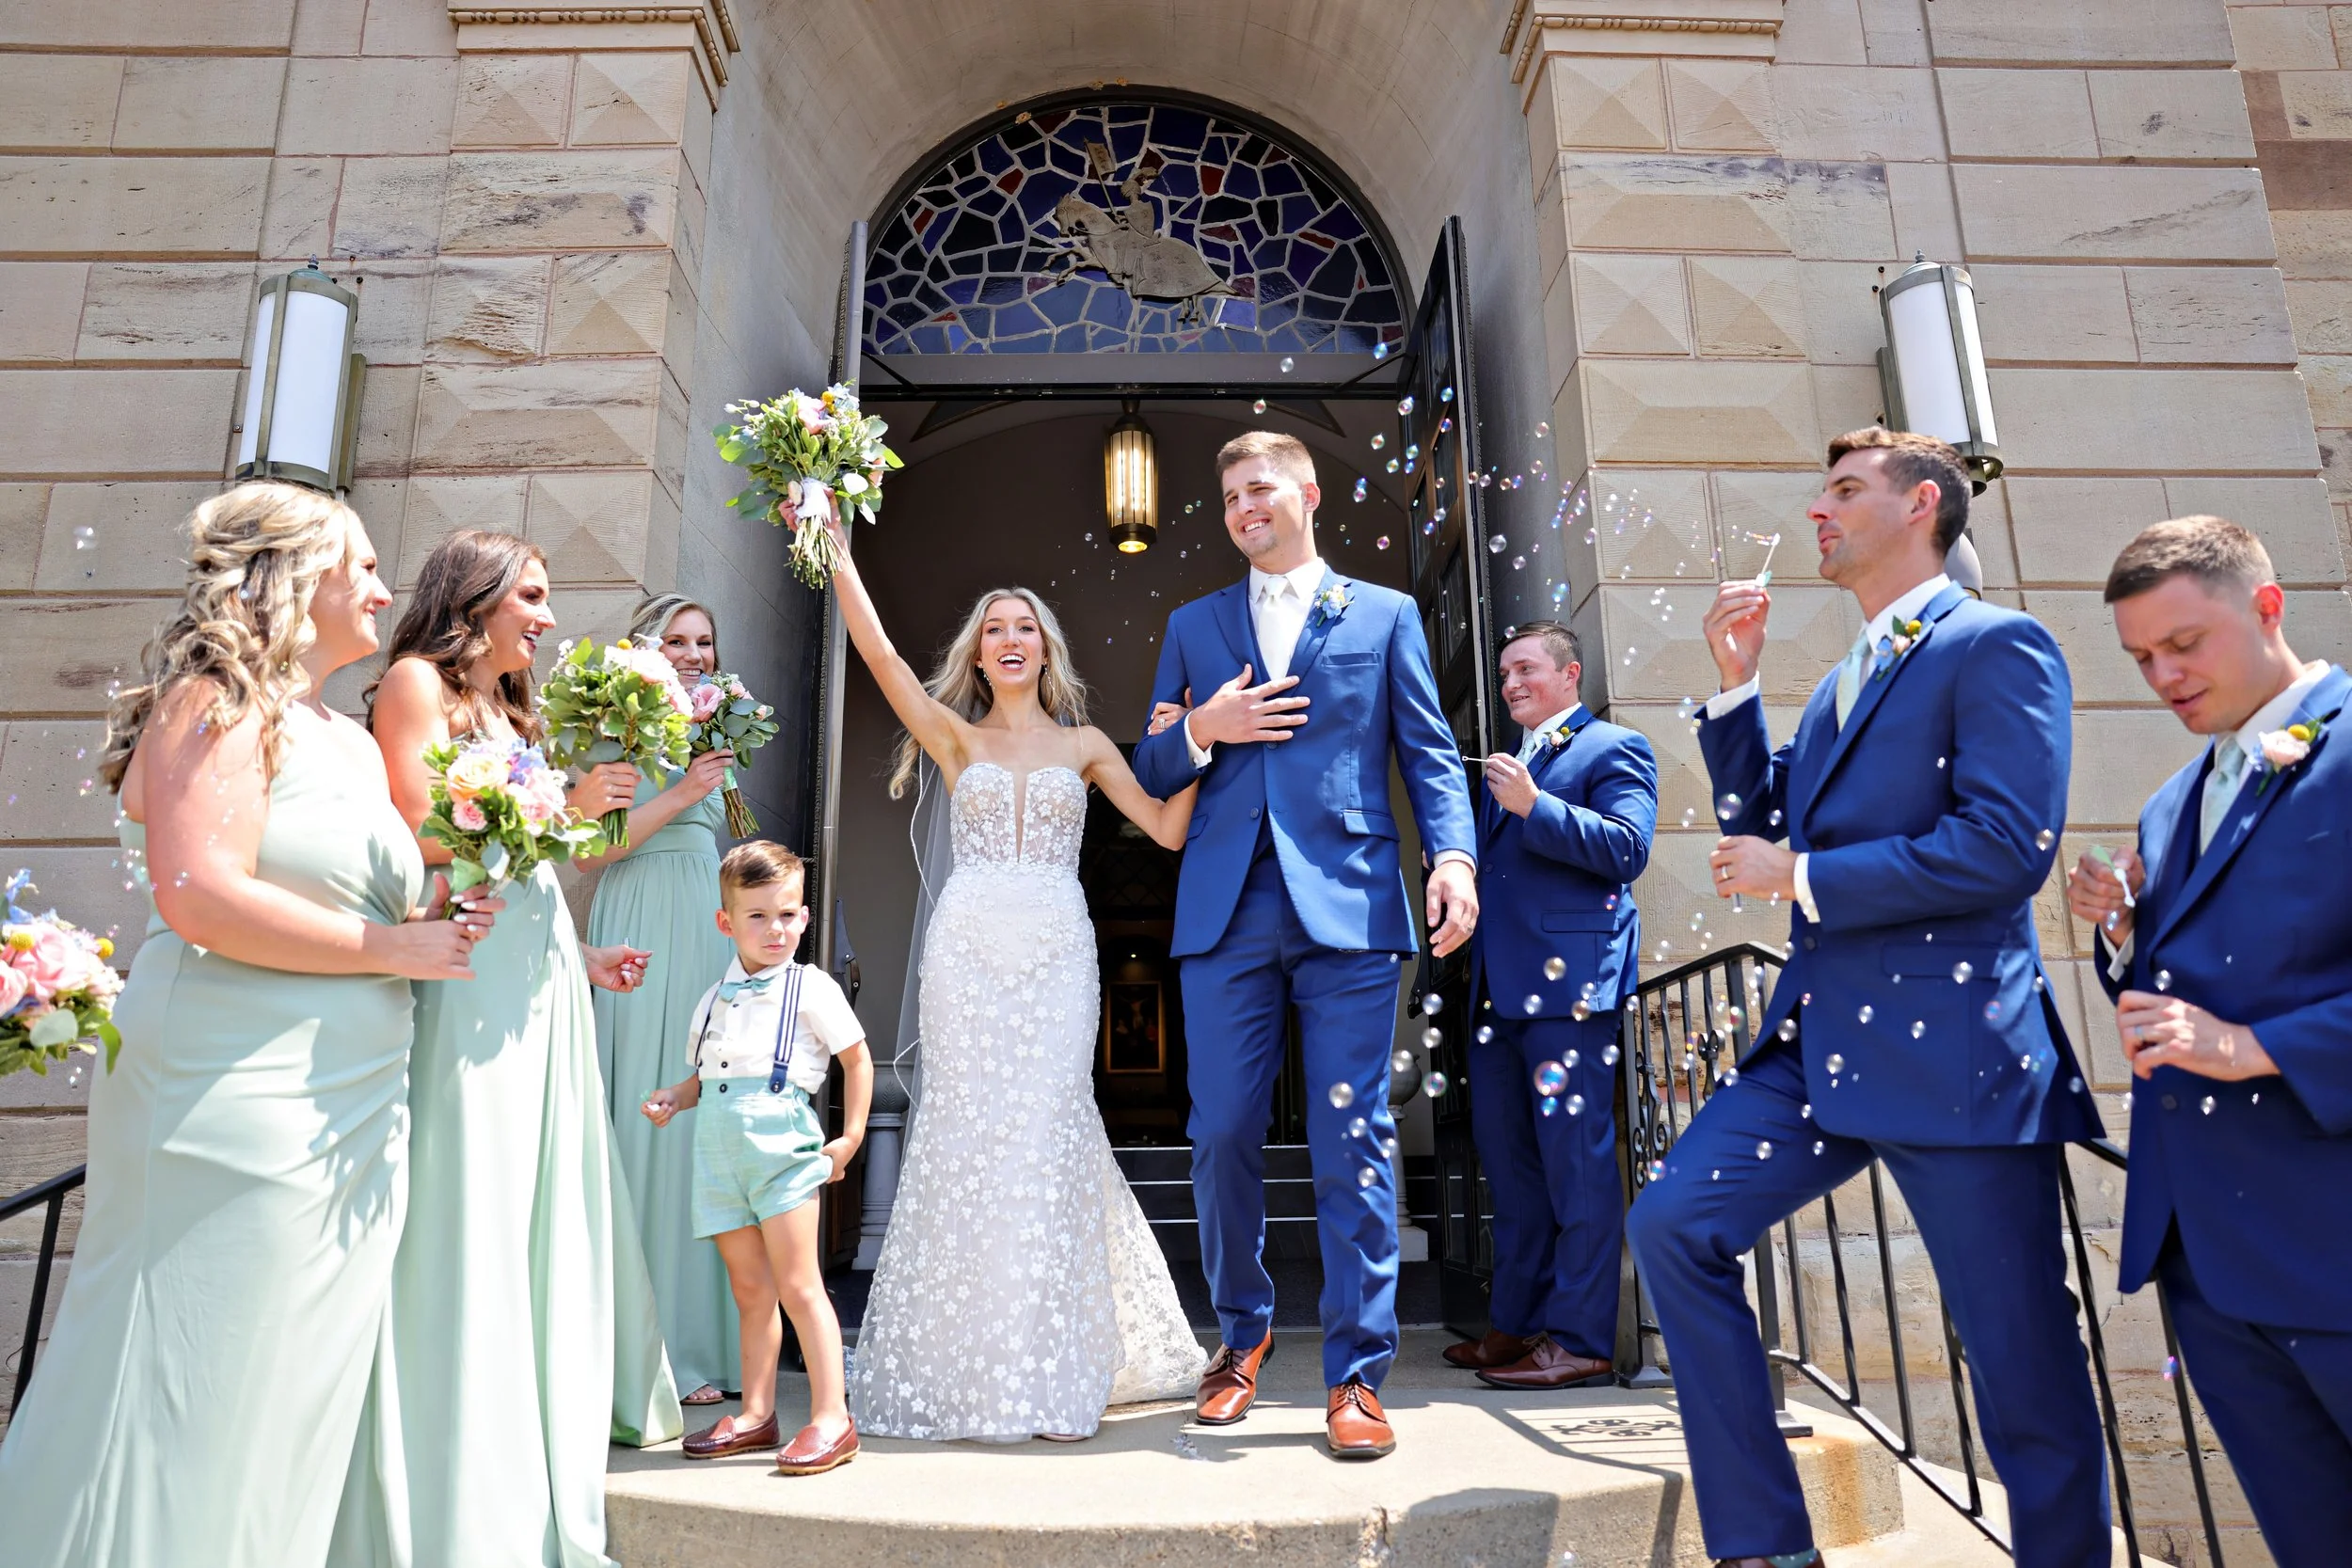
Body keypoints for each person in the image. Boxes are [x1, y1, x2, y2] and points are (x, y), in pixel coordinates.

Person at [1633, 428, 2108, 1568]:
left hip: (1953, 1054)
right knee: (1672, 1224)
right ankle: (1765, 1542)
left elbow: (2003, 847)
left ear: (1921, 504)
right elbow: (1769, 819)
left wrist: (1800, 875)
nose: (1818, 509)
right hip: (1818, 1044)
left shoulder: (1995, 645)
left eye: (1844, 489)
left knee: (2017, 1355)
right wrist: (1736, 685)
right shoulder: (1846, 676)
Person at [0, 483, 493, 1568]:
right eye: (365, 567)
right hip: (234, 1089)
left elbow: (346, 895)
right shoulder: (216, 698)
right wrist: (390, 949)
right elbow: (200, 893)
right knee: (203, 1364)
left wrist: (432, 920)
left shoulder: (351, 740)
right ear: (296, 576)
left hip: (355, 1092)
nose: (384, 592)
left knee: (296, 1377)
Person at [816, 492, 1208, 1443]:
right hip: (968, 952)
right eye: (994, 628)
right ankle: (968, 1365)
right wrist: (835, 548)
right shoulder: (957, 737)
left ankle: (1057, 1366)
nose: (1009, 638)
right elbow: (879, 657)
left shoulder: (1085, 745)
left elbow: (1165, 830)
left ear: (1045, 646)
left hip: (1059, 953)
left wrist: (1199, 741)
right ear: (979, 651)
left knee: (1047, 1130)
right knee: (969, 1136)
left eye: (1023, 625)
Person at [335, 531, 683, 1568]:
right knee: (472, 1188)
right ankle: (458, 1444)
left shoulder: (509, 711)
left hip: (537, 968)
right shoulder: (415, 683)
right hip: (472, 971)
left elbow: (527, 863)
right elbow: (418, 833)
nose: (546, 615)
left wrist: (582, 952)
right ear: (474, 596)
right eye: (529, 595)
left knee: (538, 1190)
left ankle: (536, 1416)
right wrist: (564, 807)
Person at [1131, 430, 1479, 1461]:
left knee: (1351, 1137)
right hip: (1226, 909)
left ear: (1308, 492)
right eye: (1230, 496)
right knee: (1222, 1131)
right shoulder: (1191, 625)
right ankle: (1240, 1336)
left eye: (1260, 487)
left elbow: (1428, 752)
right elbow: (1152, 768)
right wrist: (1207, 727)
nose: (1244, 506)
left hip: (1350, 905)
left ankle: (1356, 1373)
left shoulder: (1386, 613)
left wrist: (1454, 857)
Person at [2065, 516, 2352, 1567]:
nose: (2163, 676)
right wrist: (2123, 933)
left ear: (2267, 605)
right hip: (2209, 1263)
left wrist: (2251, 1045)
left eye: (2183, 643)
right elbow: (2187, 986)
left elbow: (2229, 1028)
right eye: (2142, 657)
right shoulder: (2171, 799)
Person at [1449, 621, 1655, 1390]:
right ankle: (1515, 1323)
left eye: (1525, 669)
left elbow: (1629, 848)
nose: (1509, 684)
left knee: (1578, 1169)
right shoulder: (1511, 761)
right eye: (1504, 672)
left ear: (1569, 674)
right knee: (1511, 1168)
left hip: (1572, 992)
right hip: (1497, 991)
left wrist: (1537, 806)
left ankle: (1581, 1340)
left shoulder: (1614, 748)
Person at [643, 840, 872, 1474]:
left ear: (803, 916)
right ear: (726, 922)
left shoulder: (811, 987)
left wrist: (850, 1136)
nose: (776, 929)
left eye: (788, 914)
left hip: (781, 1146)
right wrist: (674, 1097)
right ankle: (756, 1414)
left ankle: (832, 1418)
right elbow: (707, 1077)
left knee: (799, 1285)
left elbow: (857, 1059)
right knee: (751, 1290)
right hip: (718, 1153)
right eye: (759, 916)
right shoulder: (714, 996)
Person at [584, 594, 742, 1405]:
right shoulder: (617, 726)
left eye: (704, 641)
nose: (693, 654)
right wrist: (681, 793)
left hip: (705, 923)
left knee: (701, 1117)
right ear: (644, 649)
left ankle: (704, 1341)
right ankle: (644, 1352)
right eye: (676, 640)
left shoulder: (713, 725)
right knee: (647, 1114)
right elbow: (590, 851)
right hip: (641, 915)